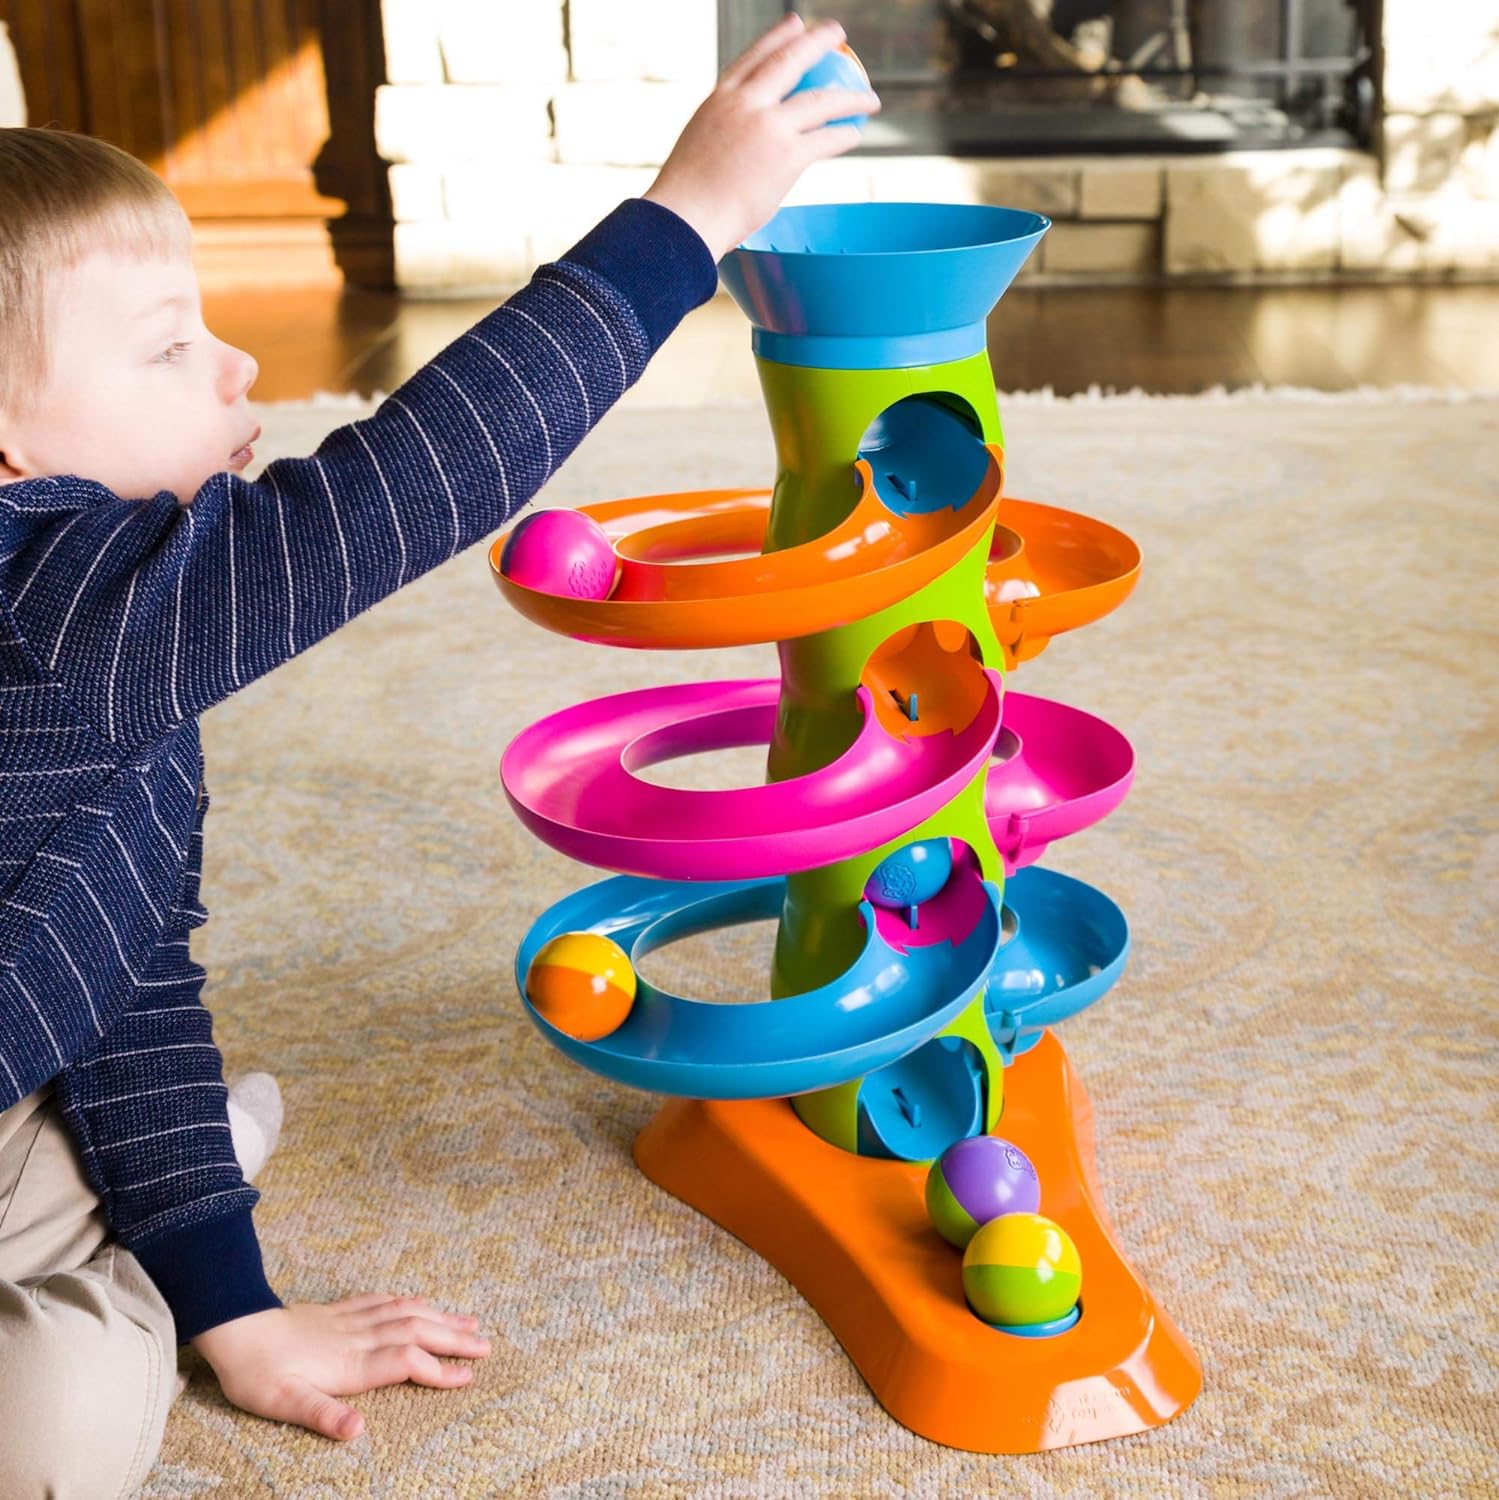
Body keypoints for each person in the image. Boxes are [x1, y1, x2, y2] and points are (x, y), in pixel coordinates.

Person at [0, 14, 878, 1493]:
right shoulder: (49, 607)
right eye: (166, 347)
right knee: (58, 1433)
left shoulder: (111, 652)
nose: (235, 364)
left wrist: (235, 1307)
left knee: (65, 1393)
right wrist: (690, 219)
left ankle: (146, 1211)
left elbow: (120, 970)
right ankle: (124, 1225)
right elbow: (403, 489)